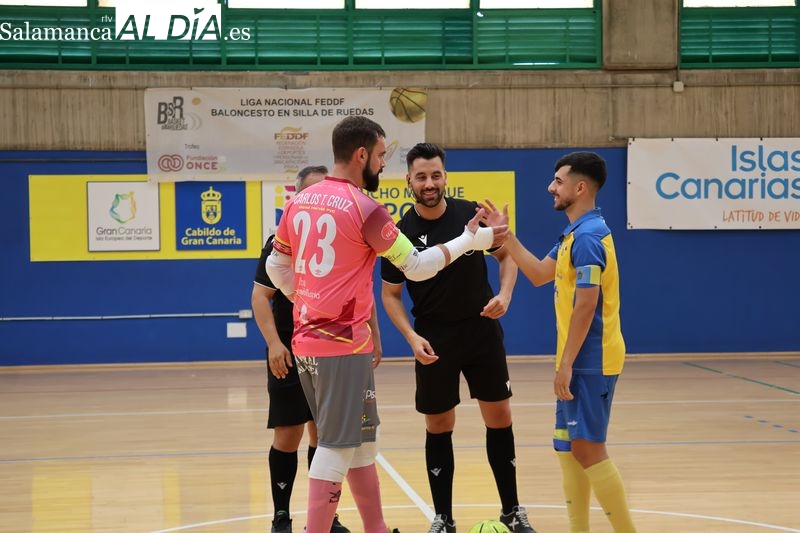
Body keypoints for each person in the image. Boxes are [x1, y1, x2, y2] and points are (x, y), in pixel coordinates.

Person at [265, 116, 508, 533]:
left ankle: (375, 528)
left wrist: (305, 302)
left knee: (361, 444)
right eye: (380, 156)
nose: (382, 164)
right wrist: (471, 239)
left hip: (312, 341)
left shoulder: (299, 201)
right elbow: (418, 266)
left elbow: (276, 267)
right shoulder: (366, 210)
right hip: (340, 346)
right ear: (361, 155)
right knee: (336, 446)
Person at [380, 143, 537, 533]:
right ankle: (443, 517)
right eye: (421, 176)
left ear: (445, 176)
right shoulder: (400, 233)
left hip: (481, 329)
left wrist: (505, 295)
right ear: (409, 180)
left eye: (436, 175)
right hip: (434, 337)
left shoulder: (471, 214)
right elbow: (390, 295)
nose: (429, 183)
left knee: (499, 417)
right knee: (438, 424)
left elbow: (506, 256)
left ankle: (512, 510)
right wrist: (411, 336)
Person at [497, 151, 636, 533]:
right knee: (567, 447)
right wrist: (506, 236)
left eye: (558, 181)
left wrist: (567, 364)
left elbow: (587, 304)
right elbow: (539, 274)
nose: (550, 188)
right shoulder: (575, 234)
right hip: (578, 359)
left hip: (591, 360)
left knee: (588, 448)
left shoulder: (588, 238)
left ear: (580, 187)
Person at [252, 166, 350, 533]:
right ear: (296, 197)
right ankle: (281, 516)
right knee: (288, 434)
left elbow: (357, 291)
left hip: (330, 348)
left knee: (324, 436)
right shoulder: (280, 241)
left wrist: (372, 333)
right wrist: (274, 344)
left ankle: (326, 516)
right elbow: (260, 297)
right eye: (311, 192)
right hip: (290, 351)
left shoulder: (339, 238)